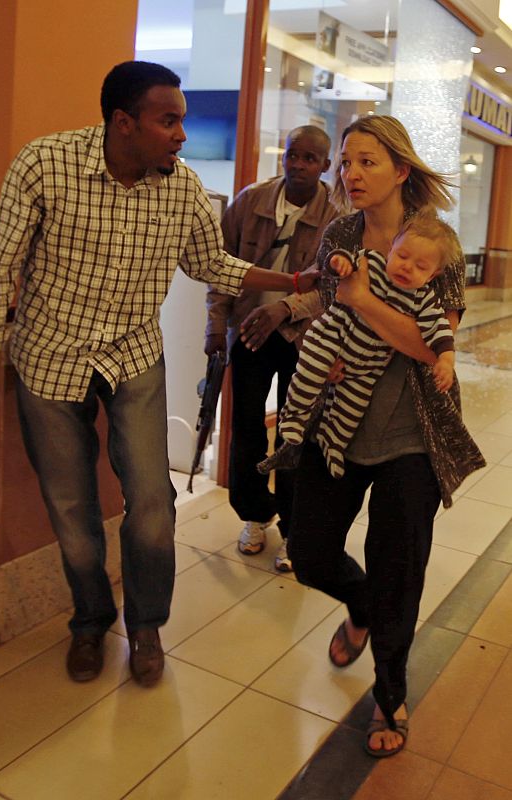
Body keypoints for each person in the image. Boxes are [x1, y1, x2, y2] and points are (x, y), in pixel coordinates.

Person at [0, 61, 319, 688]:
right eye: (168, 120)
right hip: (49, 356)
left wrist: (290, 282)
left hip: (134, 357)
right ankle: (90, 620)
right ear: (123, 123)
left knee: (152, 501)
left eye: (182, 120)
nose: (181, 134)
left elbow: (213, 264)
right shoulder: (44, 165)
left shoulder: (180, 188)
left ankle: (146, 625)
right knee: (71, 509)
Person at [245, 115, 484, 758]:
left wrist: (364, 303)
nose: (349, 174)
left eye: (366, 162)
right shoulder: (341, 232)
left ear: (401, 170)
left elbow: (432, 344)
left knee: (398, 570)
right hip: (337, 422)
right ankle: (362, 605)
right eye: (346, 162)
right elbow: (329, 304)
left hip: (413, 432)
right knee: (313, 552)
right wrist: (333, 316)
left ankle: (389, 695)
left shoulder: (440, 243)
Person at [205, 125, 337, 571]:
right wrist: (215, 327)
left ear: (325, 165)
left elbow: (333, 290)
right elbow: (221, 269)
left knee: (296, 435)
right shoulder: (251, 201)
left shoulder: (338, 218)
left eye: (309, 158)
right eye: (292, 155)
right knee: (245, 432)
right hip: (248, 334)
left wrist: (284, 309)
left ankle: (296, 533)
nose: (298, 165)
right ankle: (255, 515)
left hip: (305, 341)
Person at [263, 214, 458, 478]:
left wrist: (446, 360)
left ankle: (333, 444)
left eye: (420, 266)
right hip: (331, 336)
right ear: (391, 250)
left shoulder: (424, 300)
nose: (407, 267)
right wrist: (339, 262)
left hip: (368, 366)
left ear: (433, 274)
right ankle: (294, 417)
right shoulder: (373, 263)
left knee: (350, 410)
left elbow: (441, 333)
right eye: (402, 256)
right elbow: (342, 260)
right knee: (310, 374)